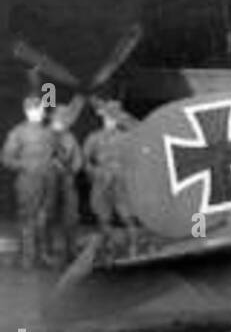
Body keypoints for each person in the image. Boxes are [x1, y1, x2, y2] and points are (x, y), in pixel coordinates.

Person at [2, 96, 57, 269]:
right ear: (28, 111)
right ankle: (27, 258)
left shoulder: (49, 132)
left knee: (44, 218)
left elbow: (53, 154)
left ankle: (42, 256)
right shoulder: (18, 132)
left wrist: (54, 164)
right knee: (27, 219)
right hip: (28, 182)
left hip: (48, 180)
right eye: (37, 109)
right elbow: (6, 158)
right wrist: (26, 165)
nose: (41, 112)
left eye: (41, 109)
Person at [83, 100, 140, 258]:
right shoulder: (93, 138)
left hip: (121, 179)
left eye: (114, 118)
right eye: (108, 117)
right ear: (103, 118)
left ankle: (133, 247)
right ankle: (110, 247)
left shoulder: (128, 137)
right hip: (101, 179)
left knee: (127, 215)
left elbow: (137, 157)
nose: (110, 121)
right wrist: (93, 172)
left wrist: (129, 174)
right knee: (102, 215)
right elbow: (85, 160)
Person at [47, 105, 85, 267]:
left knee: (71, 216)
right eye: (60, 117)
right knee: (47, 215)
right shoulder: (44, 135)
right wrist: (54, 163)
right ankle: (45, 250)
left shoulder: (70, 137)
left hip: (67, 181)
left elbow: (78, 158)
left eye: (65, 118)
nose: (62, 120)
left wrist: (72, 170)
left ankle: (71, 250)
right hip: (48, 181)